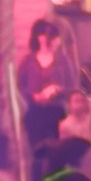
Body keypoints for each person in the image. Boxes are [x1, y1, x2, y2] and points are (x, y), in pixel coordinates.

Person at [14, 17, 82, 147]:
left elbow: (72, 87)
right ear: (42, 38)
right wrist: (33, 96)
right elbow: (19, 87)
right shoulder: (28, 62)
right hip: (34, 113)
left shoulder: (63, 61)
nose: (58, 41)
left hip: (57, 112)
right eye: (55, 37)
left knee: (58, 147)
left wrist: (57, 89)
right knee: (36, 147)